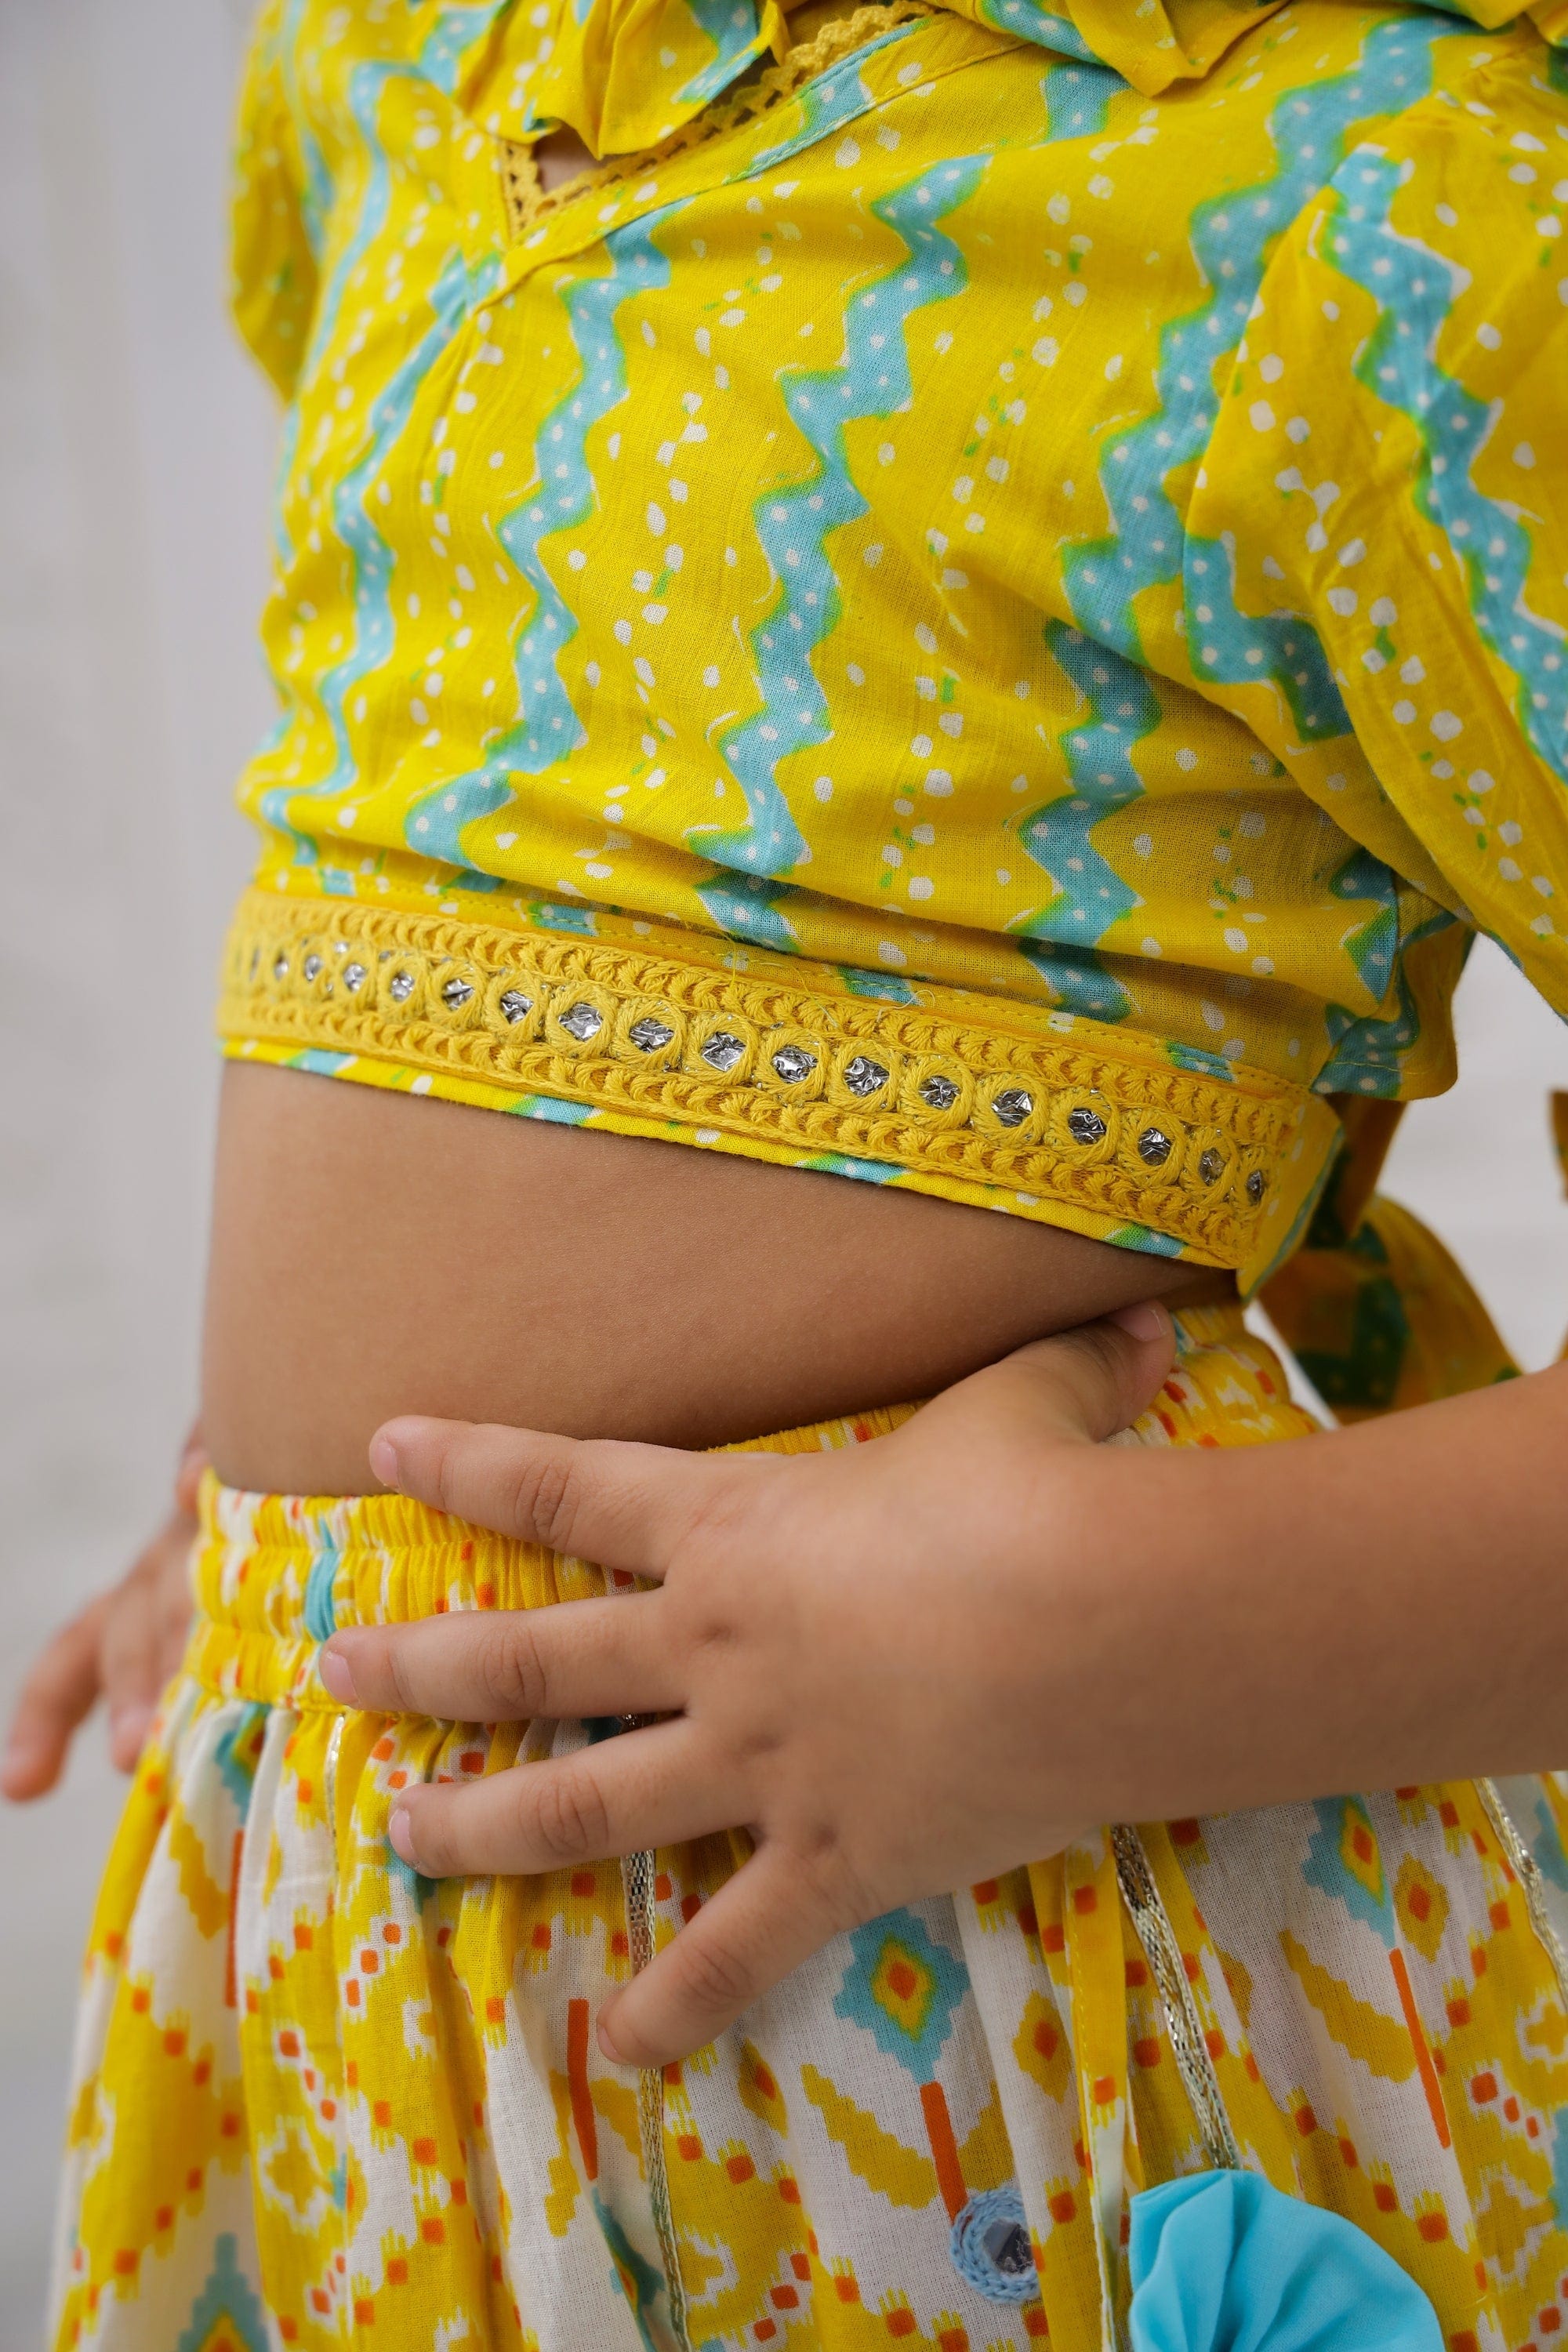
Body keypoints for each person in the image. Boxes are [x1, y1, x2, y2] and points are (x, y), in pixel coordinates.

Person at [6, 0, 1568, 2343]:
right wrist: (284, 1483)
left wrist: (1107, 1641)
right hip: (371, 1967)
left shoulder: (1396, 192)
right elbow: (496, 854)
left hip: (997, 1996)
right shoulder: (404, 55)